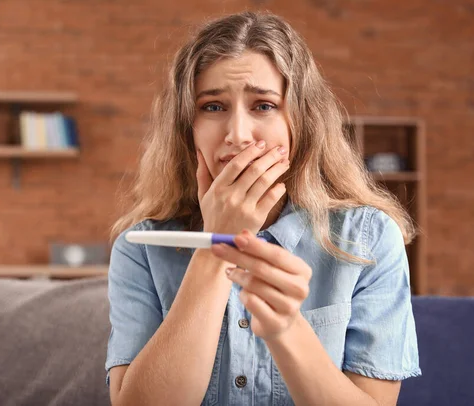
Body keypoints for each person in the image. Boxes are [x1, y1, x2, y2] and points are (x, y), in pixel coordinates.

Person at [105, 11, 421, 406]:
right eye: (213, 107)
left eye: (264, 106)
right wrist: (214, 249)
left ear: (301, 122)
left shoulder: (369, 239)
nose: (237, 135)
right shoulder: (141, 247)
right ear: (189, 130)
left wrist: (286, 327)